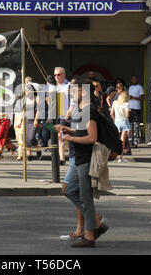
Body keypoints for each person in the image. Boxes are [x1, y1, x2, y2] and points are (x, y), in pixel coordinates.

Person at [55, 79, 108, 248]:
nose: (70, 93)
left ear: (83, 92)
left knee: (86, 198)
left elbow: (92, 138)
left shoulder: (89, 111)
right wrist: (68, 130)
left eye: (73, 90)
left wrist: (72, 138)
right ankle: (96, 222)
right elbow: (81, 131)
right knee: (70, 190)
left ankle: (90, 236)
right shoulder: (82, 110)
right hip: (78, 158)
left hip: (86, 159)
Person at [54, 67, 71, 165]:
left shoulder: (68, 85)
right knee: (60, 136)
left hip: (66, 114)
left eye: (59, 74)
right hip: (57, 115)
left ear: (64, 75)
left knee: (65, 136)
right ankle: (62, 158)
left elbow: (73, 102)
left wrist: (68, 114)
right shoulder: (53, 86)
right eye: (55, 75)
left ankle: (70, 154)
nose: (56, 77)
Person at [110, 90, 131, 163]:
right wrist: (128, 112)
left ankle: (114, 156)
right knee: (122, 140)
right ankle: (120, 157)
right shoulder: (126, 104)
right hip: (124, 122)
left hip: (117, 122)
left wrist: (115, 120)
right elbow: (127, 115)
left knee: (116, 140)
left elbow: (111, 113)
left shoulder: (115, 103)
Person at [128, 75, 144, 147]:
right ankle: (130, 139)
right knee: (130, 124)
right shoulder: (130, 87)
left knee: (136, 124)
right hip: (130, 107)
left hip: (136, 107)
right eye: (133, 79)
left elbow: (142, 98)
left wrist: (133, 97)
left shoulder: (140, 87)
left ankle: (136, 139)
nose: (134, 80)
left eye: (135, 79)